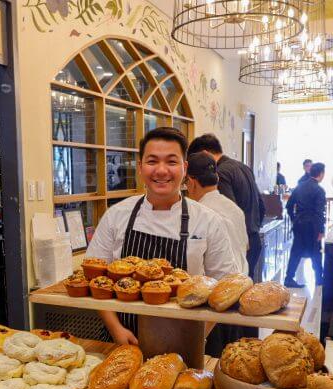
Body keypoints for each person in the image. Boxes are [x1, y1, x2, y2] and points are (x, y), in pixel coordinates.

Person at [85, 127, 239, 345]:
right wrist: (116, 329)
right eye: (152, 161)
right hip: (122, 339)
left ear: (185, 168)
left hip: (186, 341)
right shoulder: (117, 215)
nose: (161, 170)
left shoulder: (208, 221)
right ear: (140, 167)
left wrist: (195, 338)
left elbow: (225, 288)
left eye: (171, 161)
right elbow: (95, 280)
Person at [186, 134, 265, 278]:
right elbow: (261, 205)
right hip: (248, 252)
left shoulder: (204, 213)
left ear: (191, 183)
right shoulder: (243, 168)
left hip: (223, 282)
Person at [185, 152, 248, 274]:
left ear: (191, 182)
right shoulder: (235, 209)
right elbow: (245, 246)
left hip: (217, 287)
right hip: (241, 281)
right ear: (217, 178)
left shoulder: (200, 215)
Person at [284, 162, 326, 288]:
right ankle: (319, 280)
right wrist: (321, 230)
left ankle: (289, 278)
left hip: (299, 224)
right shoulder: (319, 190)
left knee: (296, 251)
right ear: (321, 174)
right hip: (312, 226)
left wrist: (294, 219)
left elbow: (289, 206)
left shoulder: (299, 187)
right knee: (316, 252)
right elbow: (319, 212)